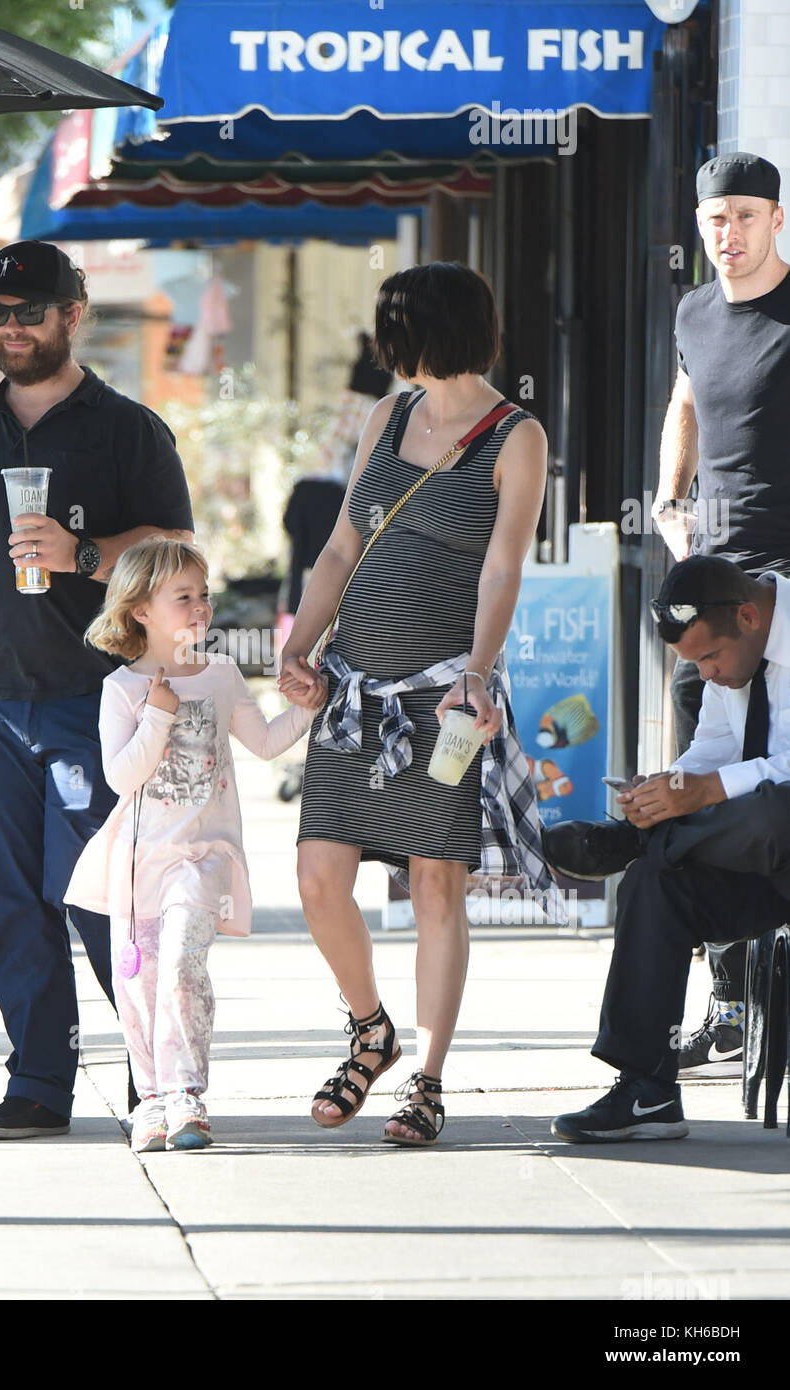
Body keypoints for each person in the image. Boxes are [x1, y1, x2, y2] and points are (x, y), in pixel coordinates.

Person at [0, 240, 194, 1139]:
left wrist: (81, 556)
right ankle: (39, 1084)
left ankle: (153, 1072)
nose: (11, 328)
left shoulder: (127, 429)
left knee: (103, 896)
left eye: (29, 312)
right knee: (9, 900)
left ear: (71, 314)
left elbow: (177, 553)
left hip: (102, 700)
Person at [277, 262, 551, 1146]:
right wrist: (297, 645)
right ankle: (370, 1029)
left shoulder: (516, 435)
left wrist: (477, 668)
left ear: (424, 331)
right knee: (318, 876)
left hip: (441, 697)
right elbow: (342, 543)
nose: (382, 344)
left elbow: (503, 563)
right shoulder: (387, 417)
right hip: (355, 688)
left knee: (436, 885)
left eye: (392, 327)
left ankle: (426, 1078)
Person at [66, 538, 321, 1151]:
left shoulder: (222, 674)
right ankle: (151, 1097)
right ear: (141, 609)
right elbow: (121, 779)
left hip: (204, 857)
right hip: (139, 863)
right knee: (141, 981)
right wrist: (157, 714)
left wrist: (308, 709)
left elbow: (262, 741)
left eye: (204, 595)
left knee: (182, 963)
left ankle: (186, 1092)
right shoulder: (122, 689)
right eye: (184, 597)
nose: (201, 608)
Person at [545, 556, 790, 1142]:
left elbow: (735, 782)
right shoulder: (727, 668)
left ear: (750, 617)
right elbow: (712, 749)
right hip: (762, 864)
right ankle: (648, 1091)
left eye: (710, 658)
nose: (705, 674)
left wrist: (704, 792)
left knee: (770, 804)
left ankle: (633, 841)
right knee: (656, 880)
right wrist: (664, 792)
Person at [652, 152, 788, 1077]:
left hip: (783, 579)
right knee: (694, 758)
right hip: (715, 573)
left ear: (777, 219)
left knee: (770, 770)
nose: (727, 235)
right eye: (714, 220)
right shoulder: (693, 310)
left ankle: (762, 977)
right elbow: (685, 402)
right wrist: (667, 501)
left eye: (743, 216)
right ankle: (727, 993)